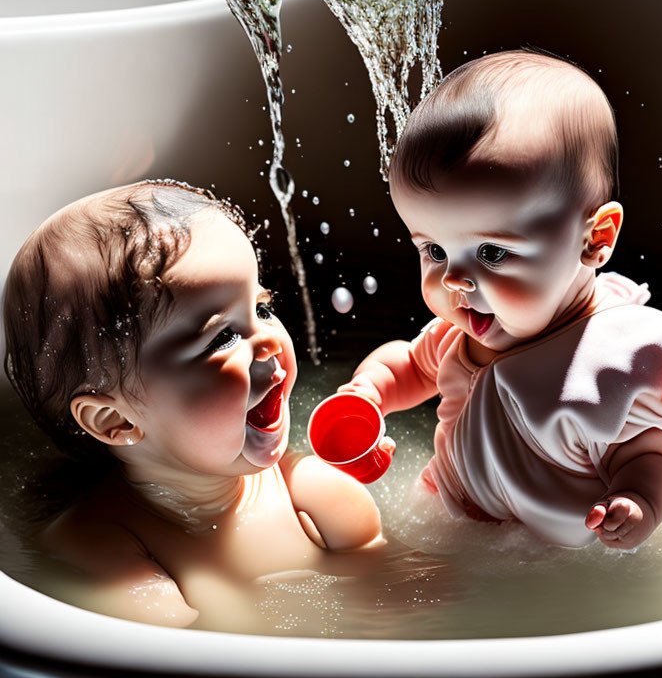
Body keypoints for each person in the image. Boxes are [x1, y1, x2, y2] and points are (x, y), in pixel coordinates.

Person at [333, 50, 662, 550]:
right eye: (434, 249)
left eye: (493, 252)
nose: (456, 279)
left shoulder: (620, 346)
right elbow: (410, 368)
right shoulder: (460, 333)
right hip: (452, 508)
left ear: (595, 239)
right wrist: (367, 392)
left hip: (571, 542)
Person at [3, 180, 384, 628]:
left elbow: (393, 614)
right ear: (114, 419)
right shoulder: (103, 545)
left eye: (261, 308)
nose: (269, 342)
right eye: (223, 337)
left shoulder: (317, 494)